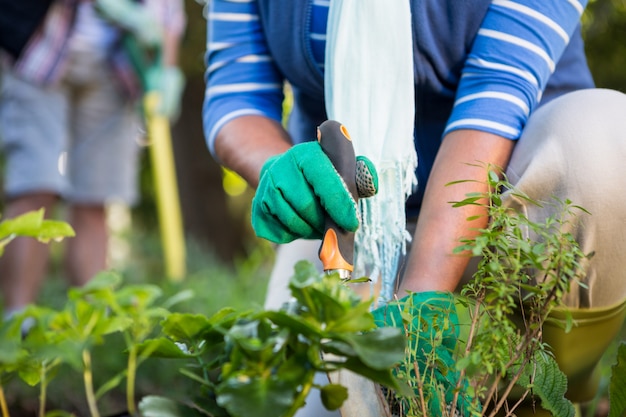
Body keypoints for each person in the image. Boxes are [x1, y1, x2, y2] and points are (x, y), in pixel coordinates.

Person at [203, 0, 626, 416]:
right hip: (355, 231)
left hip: (513, 222)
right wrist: (281, 170)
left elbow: (495, 94)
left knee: (605, 133)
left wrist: (416, 309)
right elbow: (236, 95)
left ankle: (536, 393)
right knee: (304, 398)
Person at [0, 0, 186, 320]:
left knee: (95, 198)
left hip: (115, 67)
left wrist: (164, 70)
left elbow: (165, 9)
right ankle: (17, 323)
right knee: (36, 185)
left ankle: (91, 327)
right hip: (38, 50)